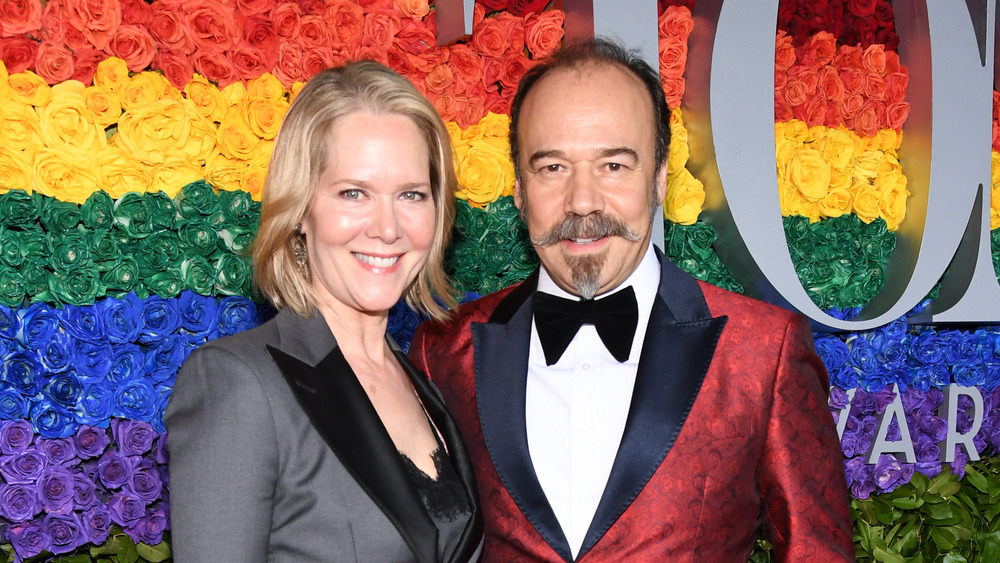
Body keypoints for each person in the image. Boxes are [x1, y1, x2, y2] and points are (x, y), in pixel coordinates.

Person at [408, 38, 854, 561]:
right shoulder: (444, 350)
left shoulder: (761, 353)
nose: (582, 201)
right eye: (552, 167)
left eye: (613, 166)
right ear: (520, 188)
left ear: (660, 177)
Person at [166, 61, 484, 563]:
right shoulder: (238, 383)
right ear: (300, 211)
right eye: (353, 193)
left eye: (411, 195)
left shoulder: (422, 376)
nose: (387, 227)